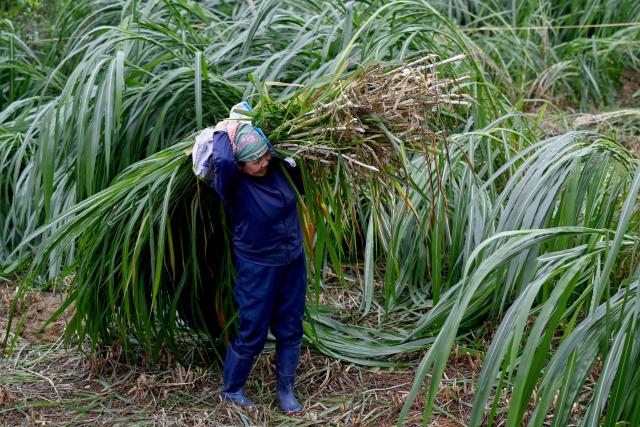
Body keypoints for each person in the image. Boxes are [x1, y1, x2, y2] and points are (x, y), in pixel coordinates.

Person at [208, 119, 307, 415]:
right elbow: (223, 159)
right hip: (258, 265)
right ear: (240, 164)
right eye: (255, 159)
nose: (264, 162)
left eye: (266, 154)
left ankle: (285, 391)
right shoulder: (232, 184)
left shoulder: (278, 169)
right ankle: (232, 389)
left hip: (292, 260)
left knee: (291, 326)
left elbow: (297, 173)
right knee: (253, 328)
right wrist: (226, 130)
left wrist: (265, 139)